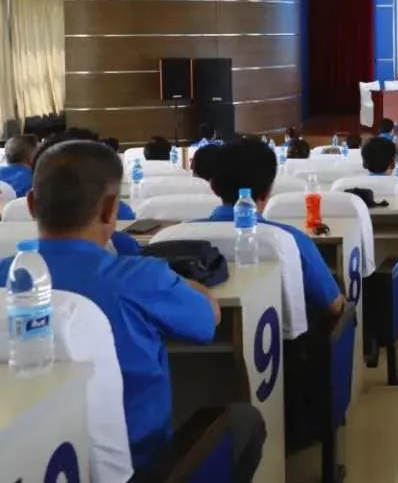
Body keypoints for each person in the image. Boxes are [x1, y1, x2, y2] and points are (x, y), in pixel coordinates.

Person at [0, 141, 267, 479]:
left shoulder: (6, 275)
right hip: (140, 467)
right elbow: (209, 318)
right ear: (111, 209)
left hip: (26, 466)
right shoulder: (140, 278)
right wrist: (180, 279)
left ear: (31, 204)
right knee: (244, 422)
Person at [206, 138, 343, 316]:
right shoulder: (292, 240)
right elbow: (333, 305)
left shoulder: (180, 236)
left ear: (213, 186)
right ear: (268, 190)